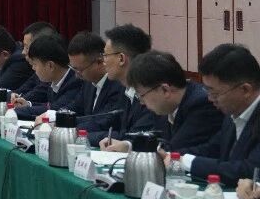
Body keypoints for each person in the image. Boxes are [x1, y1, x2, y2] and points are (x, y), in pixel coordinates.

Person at [174, 43, 260, 186]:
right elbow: (212, 148)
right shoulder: (232, 113)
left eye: (215, 93)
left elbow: (250, 170)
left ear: (245, 90)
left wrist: (187, 162)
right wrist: (172, 156)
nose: (209, 98)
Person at [103, 51, 222, 153]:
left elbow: (174, 149)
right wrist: (128, 145)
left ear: (165, 90)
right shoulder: (165, 106)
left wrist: (133, 147)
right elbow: (155, 138)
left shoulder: (201, 104)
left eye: (141, 96)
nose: (142, 103)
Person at [91, 24, 159, 148]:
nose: (103, 61)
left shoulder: (151, 93)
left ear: (121, 58)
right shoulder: (123, 88)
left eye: (105, 55)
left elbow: (133, 137)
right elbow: (110, 124)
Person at [10, 33, 83, 119]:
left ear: (50, 66)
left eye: (35, 64)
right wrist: (28, 104)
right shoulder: (53, 78)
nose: (33, 68)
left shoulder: (75, 82)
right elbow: (48, 105)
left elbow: (55, 109)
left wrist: (12, 111)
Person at [68, 31, 127, 125]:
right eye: (74, 69)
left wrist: (69, 127)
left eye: (80, 70)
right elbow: (74, 107)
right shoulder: (88, 83)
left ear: (99, 62)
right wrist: (55, 117)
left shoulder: (117, 86)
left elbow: (103, 122)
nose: (76, 75)